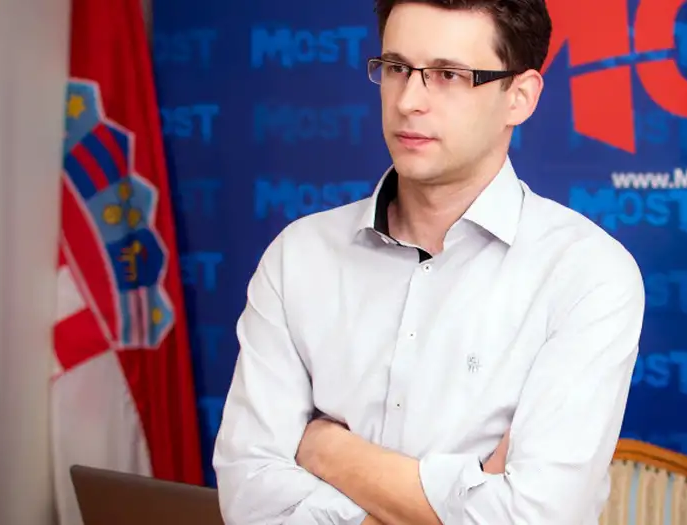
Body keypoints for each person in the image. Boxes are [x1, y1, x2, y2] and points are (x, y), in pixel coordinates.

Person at [211, 0, 646, 523]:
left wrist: (327, 451)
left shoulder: (586, 274)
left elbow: (534, 517)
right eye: (396, 68)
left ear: (520, 97)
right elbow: (250, 500)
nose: (408, 101)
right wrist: (462, 498)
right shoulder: (298, 256)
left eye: (448, 75)